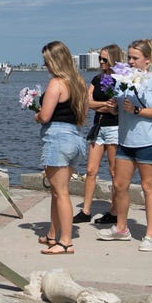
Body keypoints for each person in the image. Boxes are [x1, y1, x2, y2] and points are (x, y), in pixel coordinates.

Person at [97, 39, 152, 252]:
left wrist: (137, 111)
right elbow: (120, 109)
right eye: (129, 57)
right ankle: (121, 228)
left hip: (149, 142)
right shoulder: (123, 82)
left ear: (147, 60)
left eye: (135, 58)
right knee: (120, 185)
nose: (130, 61)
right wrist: (113, 108)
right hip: (126, 142)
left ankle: (149, 235)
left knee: (148, 187)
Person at [34, 41, 88, 255]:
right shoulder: (79, 83)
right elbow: (82, 114)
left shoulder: (56, 83)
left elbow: (45, 116)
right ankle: (52, 233)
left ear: (54, 61)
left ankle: (65, 242)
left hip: (57, 137)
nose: (45, 65)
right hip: (75, 137)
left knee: (61, 192)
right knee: (57, 192)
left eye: (46, 61)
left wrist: (36, 115)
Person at [73, 44, 123, 225]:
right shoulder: (97, 79)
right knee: (90, 170)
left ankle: (115, 211)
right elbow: (87, 102)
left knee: (113, 171)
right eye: (100, 59)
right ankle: (85, 211)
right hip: (98, 127)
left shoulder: (121, 80)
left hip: (114, 129)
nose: (101, 62)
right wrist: (104, 106)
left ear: (113, 59)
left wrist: (104, 106)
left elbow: (117, 107)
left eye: (104, 59)